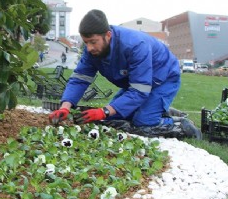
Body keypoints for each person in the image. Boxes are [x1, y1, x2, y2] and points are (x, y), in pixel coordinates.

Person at [48, 9, 201, 139]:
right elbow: (80, 79)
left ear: (108, 35)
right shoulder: (92, 51)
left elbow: (139, 92)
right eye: (85, 42)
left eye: (93, 42)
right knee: (115, 116)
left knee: (143, 123)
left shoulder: (135, 46)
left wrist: (103, 111)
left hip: (163, 79)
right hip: (137, 84)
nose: (89, 48)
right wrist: (65, 107)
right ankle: (160, 108)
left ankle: (181, 125)